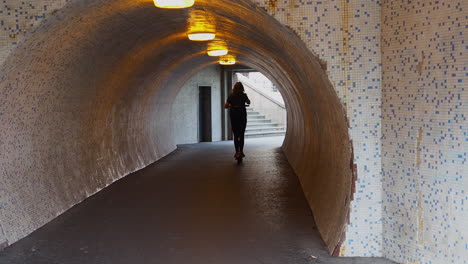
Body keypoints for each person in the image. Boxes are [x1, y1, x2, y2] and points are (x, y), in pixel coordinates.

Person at [224, 82, 251, 159]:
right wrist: (244, 101)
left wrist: (230, 105)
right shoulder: (244, 95)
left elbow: (225, 106)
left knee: (236, 134)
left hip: (234, 116)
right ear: (242, 88)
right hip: (242, 115)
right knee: (241, 134)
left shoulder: (231, 96)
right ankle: (241, 151)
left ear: (234, 88)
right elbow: (248, 102)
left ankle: (236, 152)